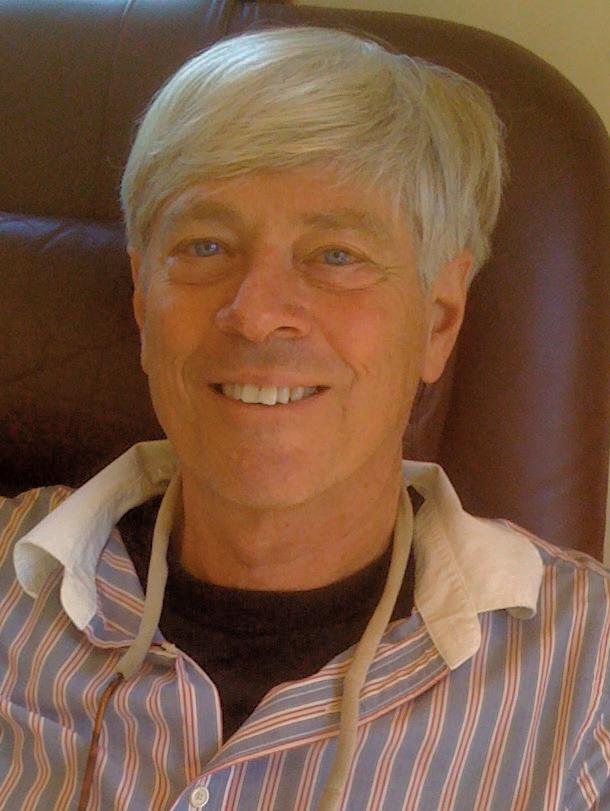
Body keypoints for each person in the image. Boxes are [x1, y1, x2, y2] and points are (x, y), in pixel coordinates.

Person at [0, 26, 608, 811]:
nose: (256, 313)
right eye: (205, 245)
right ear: (144, 300)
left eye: (335, 255)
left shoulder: (587, 680)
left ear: (438, 320)